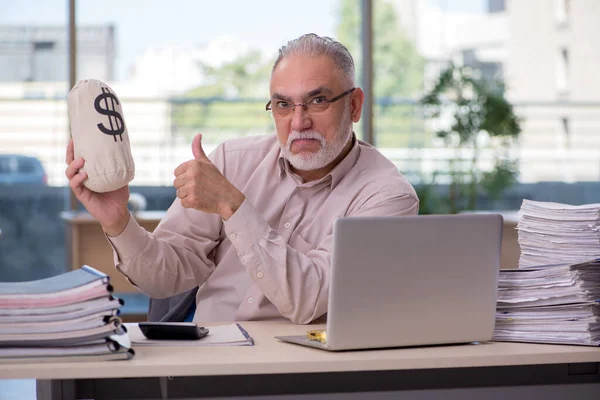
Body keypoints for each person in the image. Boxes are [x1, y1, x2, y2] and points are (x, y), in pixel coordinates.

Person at [65, 33, 419, 324]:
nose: (298, 122)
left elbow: (309, 298)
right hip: (207, 361)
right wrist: (118, 221)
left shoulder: (388, 197)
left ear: (354, 106)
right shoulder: (231, 162)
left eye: (318, 100)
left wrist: (233, 206)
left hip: (306, 374)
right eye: (283, 105)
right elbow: (163, 278)